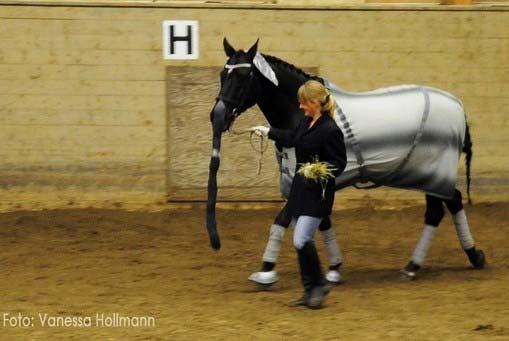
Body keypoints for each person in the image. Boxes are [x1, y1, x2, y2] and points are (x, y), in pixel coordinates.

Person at [250, 80, 347, 309]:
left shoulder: (330, 130)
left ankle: (319, 285)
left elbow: (339, 163)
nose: (301, 107)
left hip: (317, 193)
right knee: (302, 242)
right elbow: (294, 139)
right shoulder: (306, 122)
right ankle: (310, 290)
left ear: (314, 102)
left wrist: (320, 170)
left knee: (301, 239)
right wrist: (268, 132)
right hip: (299, 191)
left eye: (304, 103)